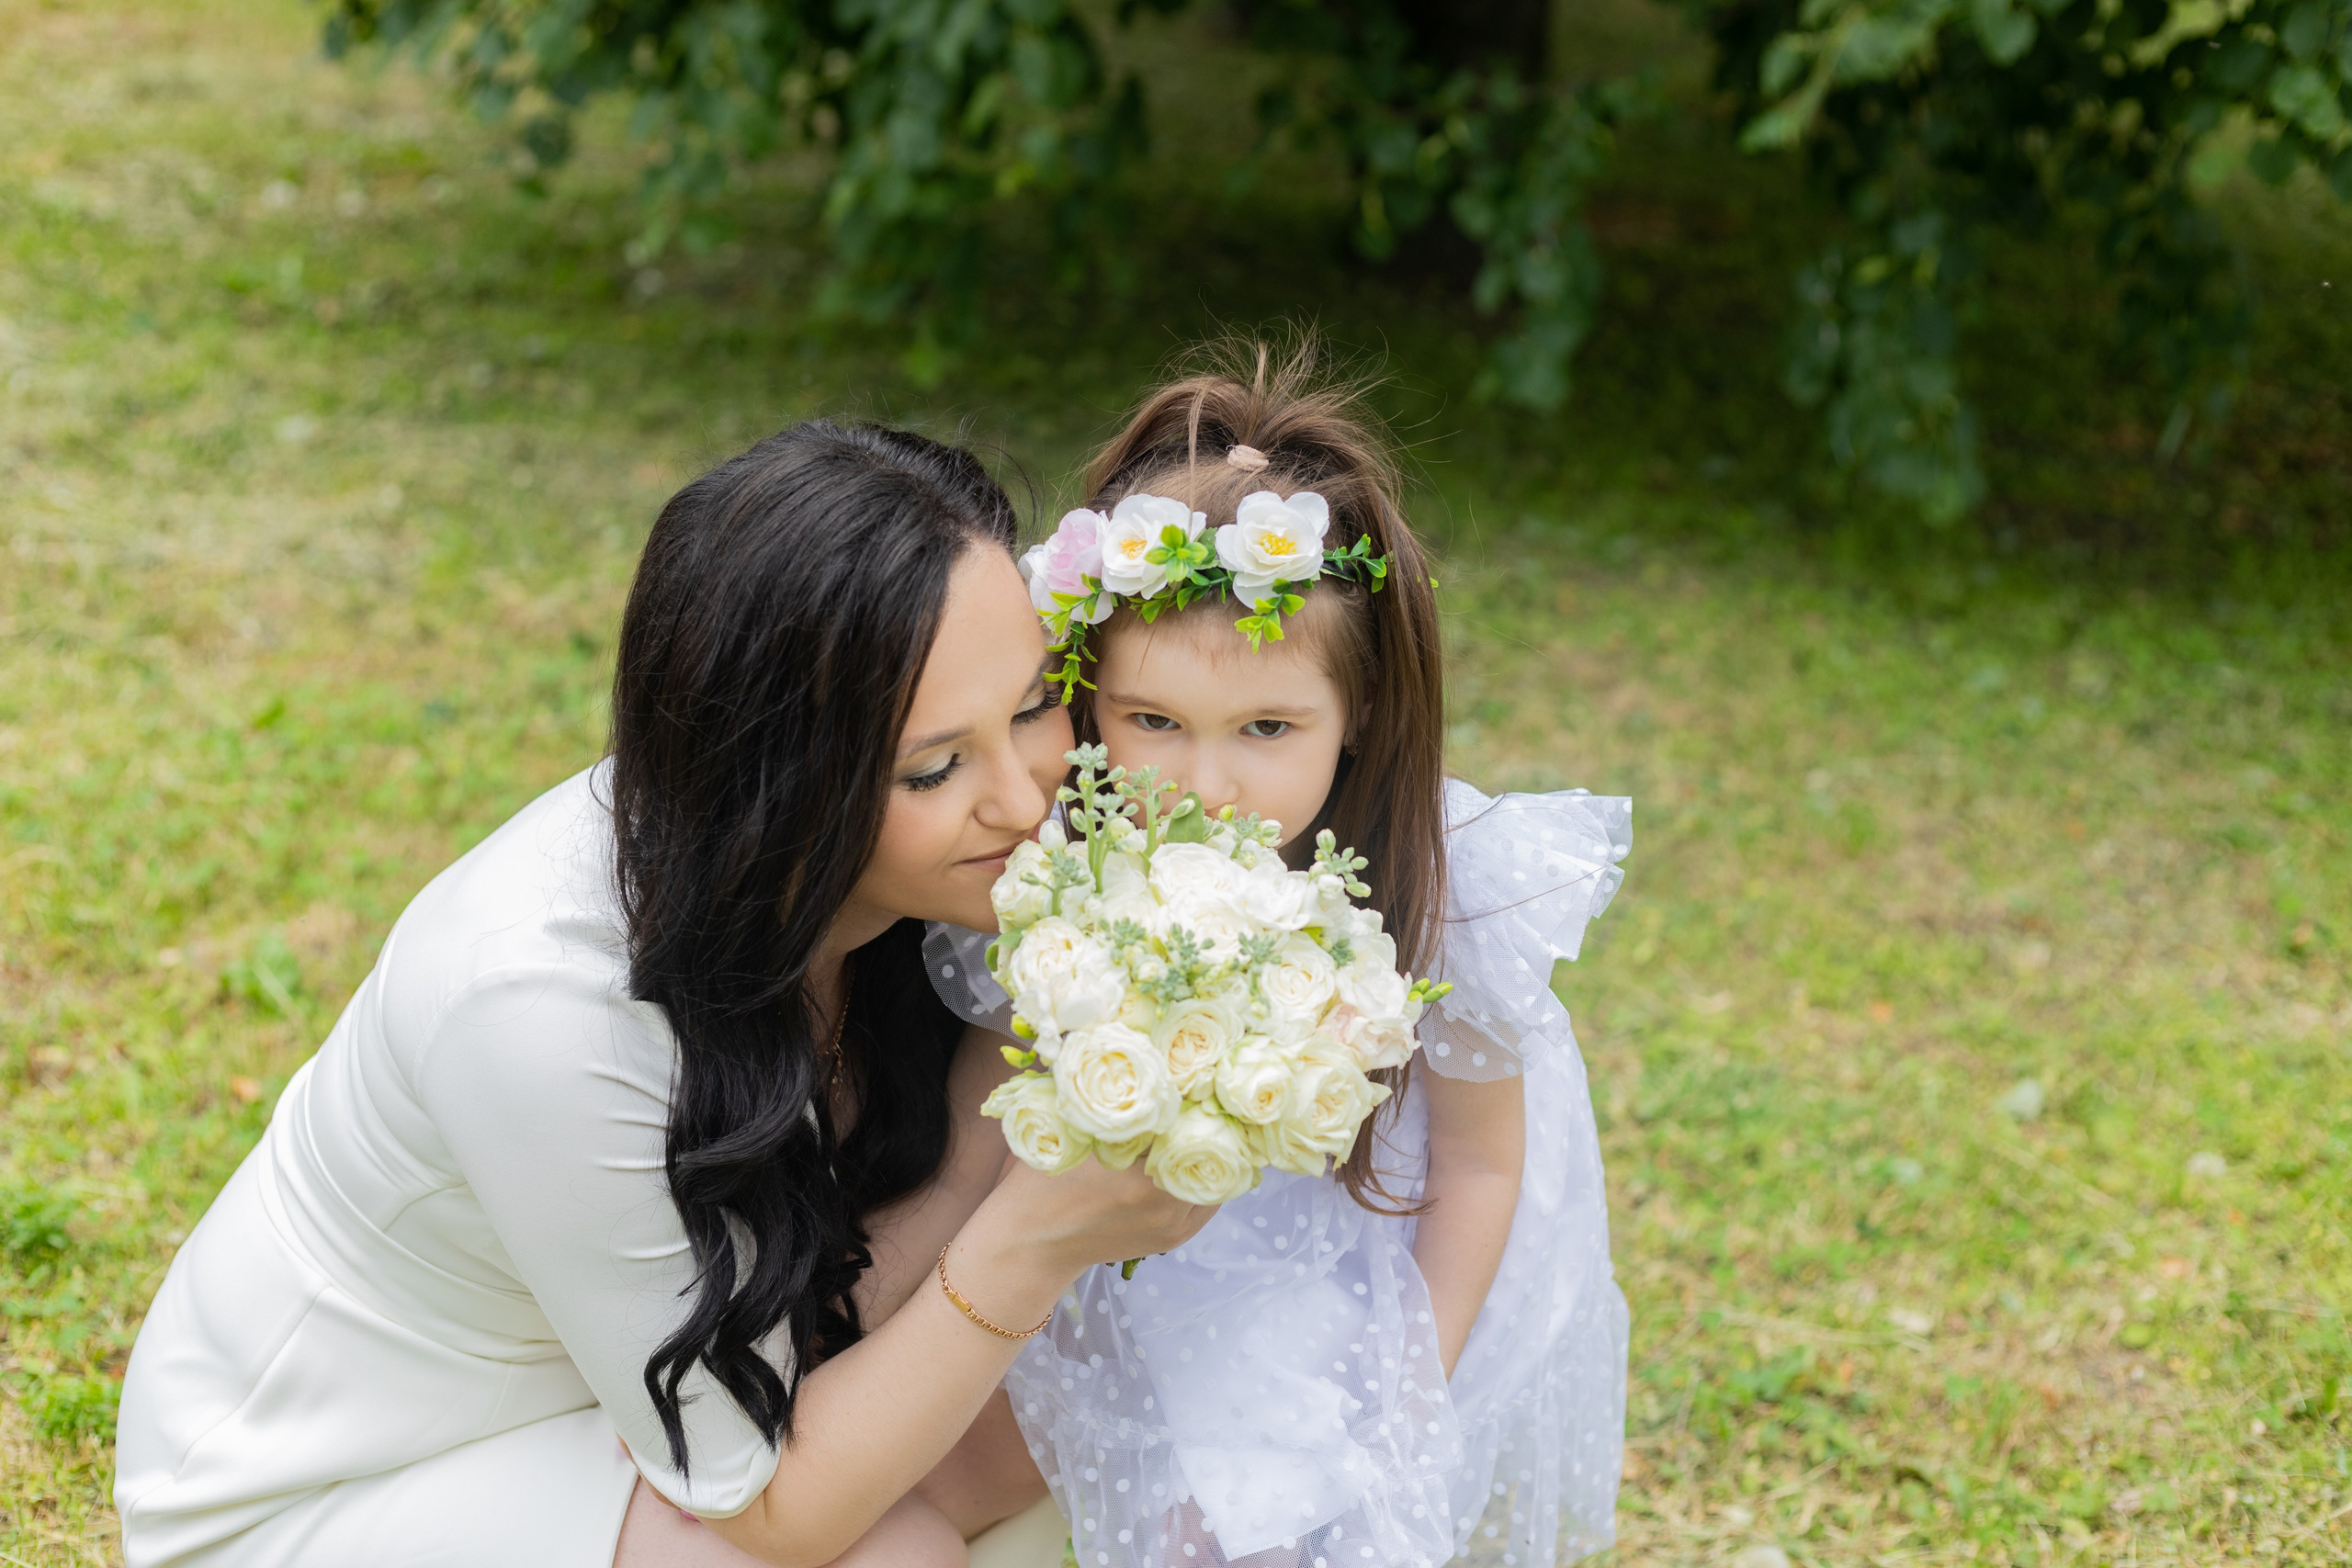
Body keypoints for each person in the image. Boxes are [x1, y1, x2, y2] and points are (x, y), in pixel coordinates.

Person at [114, 421, 1217, 1568]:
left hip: (647, 1397)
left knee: (1075, 1422)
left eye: (1033, 706)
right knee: (898, 1554)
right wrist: (1033, 1240)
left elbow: (875, 1290)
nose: (1027, 801)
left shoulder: (929, 876)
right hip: (337, 1478)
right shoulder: (544, 1010)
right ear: (780, 782)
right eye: (932, 768)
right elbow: (776, 1510)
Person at [927, 343, 1632, 1568]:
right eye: (1153, 721)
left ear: (1358, 718)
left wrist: (1404, 1398)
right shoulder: (1064, 869)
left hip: (1367, 1276)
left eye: (1267, 727)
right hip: (1118, 1249)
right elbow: (981, 1128)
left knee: (1244, 1530)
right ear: (1085, 700)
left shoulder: (1450, 886)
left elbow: (1479, 1167)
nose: (1207, 784)